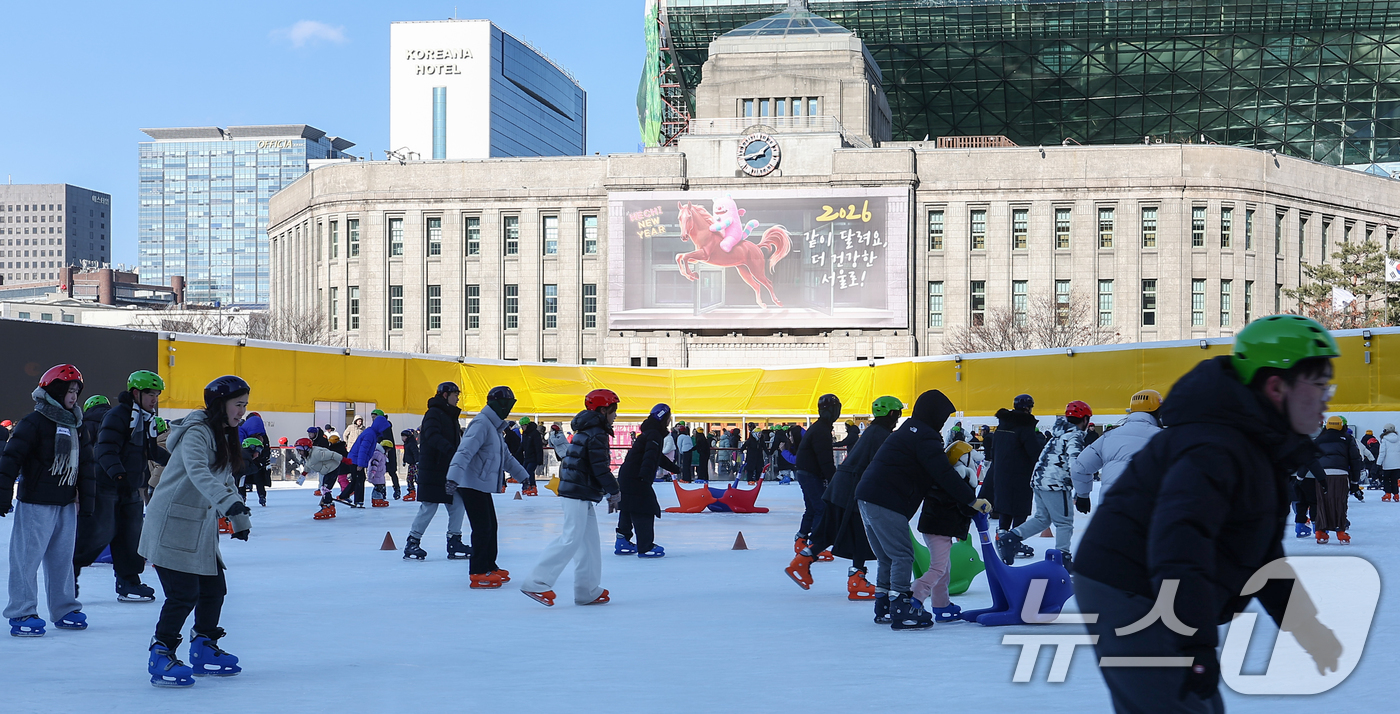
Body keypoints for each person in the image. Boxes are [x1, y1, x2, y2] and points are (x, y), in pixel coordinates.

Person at [1075, 315, 1344, 713]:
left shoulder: (1259, 445)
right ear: (1276, 386)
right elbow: (1181, 542)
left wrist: (1305, 625)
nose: (1326, 398)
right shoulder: (1215, 446)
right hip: (1127, 585)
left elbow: (1263, 557)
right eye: (1319, 385)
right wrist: (1196, 644)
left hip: (1157, 586)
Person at [140, 375, 254, 687]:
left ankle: (204, 646)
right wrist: (227, 505)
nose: (242, 411)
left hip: (198, 528)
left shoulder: (222, 433)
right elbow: (198, 472)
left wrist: (239, 515)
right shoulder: (197, 433)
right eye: (238, 405)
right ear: (221, 405)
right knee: (183, 594)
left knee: (214, 589)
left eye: (245, 405)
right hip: (171, 525)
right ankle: (161, 651)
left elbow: (225, 477)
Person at [855, 390, 991, 629]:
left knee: (887, 556)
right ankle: (901, 607)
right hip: (886, 500)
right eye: (942, 415)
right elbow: (943, 473)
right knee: (901, 555)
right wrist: (971, 501)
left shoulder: (908, 432)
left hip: (868, 496)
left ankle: (884, 603)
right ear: (933, 414)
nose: (943, 421)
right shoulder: (925, 437)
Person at [1, 364, 90, 637]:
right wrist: (4, 493)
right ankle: (22, 611)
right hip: (36, 502)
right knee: (26, 560)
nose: (73, 396)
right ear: (54, 390)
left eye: (76, 390)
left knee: (62, 560)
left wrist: (88, 502)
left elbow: (87, 466)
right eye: (68, 390)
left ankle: (64, 608)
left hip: (65, 502)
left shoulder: (77, 424)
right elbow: (11, 459)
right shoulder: (34, 422)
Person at [787, 396, 902, 600]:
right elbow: (883, 466)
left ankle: (802, 561)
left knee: (833, 529)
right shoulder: (881, 435)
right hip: (853, 488)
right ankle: (856, 580)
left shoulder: (873, 431)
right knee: (860, 533)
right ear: (892, 414)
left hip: (843, 485)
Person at [521, 389, 621, 606]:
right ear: (602, 410)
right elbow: (600, 468)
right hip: (576, 491)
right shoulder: (596, 433)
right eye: (613, 410)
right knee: (571, 538)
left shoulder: (589, 429)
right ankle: (536, 582)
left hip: (580, 491)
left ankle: (587, 590)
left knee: (589, 543)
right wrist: (614, 491)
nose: (615, 415)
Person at [445, 386, 531, 586]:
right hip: (469, 484)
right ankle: (478, 571)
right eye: (506, 405)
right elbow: (464, 452)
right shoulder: (481, 424)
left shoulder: (494, 428)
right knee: (482, 528)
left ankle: (489, 565)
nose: (508, 410)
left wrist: (524, 477)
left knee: (491, 526)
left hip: (480, 484)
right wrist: (453, 478)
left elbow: (506, 458)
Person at [998, 401, 1091, 569]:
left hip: (1039, 480)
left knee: (1042, 519)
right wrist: (1082, 492)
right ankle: (1063, 557)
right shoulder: (1074, 436)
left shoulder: (1058, 434)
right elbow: (1076, 465)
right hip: (1056, 483)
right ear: (1084, 420)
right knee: (1064, 522)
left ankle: (1010, 537)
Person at [911, 439, 982, 622]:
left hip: (934, 528)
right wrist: (978, 508)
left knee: (945, 568)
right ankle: (914, 597)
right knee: (938, 568)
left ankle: (941, 604)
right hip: (939, 530)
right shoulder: (959, 481)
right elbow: (965, 506)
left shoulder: (945, 477)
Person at [403, 382, 470, 561]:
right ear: (445, 395)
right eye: (455, 394)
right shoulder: (433, 413)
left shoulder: (450, 416)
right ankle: (413, 541)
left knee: (457, 503)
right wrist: (451, 450)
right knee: (429, 506)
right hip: (434, 469)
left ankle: (454, 540)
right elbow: (432, 436)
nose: (458, 398)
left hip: (447, 470)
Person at [1071, 390, 1163, 514]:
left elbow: (1079, 467)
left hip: (1110, 509)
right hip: (1147, 510)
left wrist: (1083, 495)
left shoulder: (1108, 437)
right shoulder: (1165, 439)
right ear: (1158, 412)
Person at [982, 393, 1043, 561]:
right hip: (1020, 475)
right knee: (1020, 509)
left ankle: (1001, 535)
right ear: (1027, 408)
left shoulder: (1001, 426)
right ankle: (1013, 541)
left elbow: (995, 450)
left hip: (1000, 473)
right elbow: (1033, 452)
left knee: (1005, 506)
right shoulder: (1025, 427)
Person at [614, 403, 679, 558]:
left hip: (628, 475)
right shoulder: (654, 434)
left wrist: (674, 468)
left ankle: (622, 540)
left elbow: (656, 455)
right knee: (644, 508)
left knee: (628, 506)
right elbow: (650, 457)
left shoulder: (650, 433)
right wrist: (645, 477)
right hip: (636, 476)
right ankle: (645, 546)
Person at [794, 394, 841, 554]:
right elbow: (825, 459)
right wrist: (834, 481)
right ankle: (815, 544)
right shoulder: (821, 430)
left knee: (813, 508)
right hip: (809, 473)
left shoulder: (820, 427)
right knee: (821, 508)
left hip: (807, 472)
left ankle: (801, 538)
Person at [1311, 415, 1364, 543]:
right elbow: (1355, 460)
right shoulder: (1347, 439)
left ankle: (1320, 531)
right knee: (1339, 502)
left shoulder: (1318, 440)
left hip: (1321, 475)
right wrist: (1355, 481)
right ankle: (1340, 531)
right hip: (1340, 474)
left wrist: (1301, 477)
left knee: (1322, 502)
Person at [347, 413, 392, 508]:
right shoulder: (370, 434)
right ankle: (353, 498)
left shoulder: (371, 433)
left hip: (355, 458)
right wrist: (360, 464)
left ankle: (351, 497)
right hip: (355, 459)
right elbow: (363, 450)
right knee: (359, 480)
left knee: (358, 479)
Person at [298, 439, 344, 520]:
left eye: (300, 450)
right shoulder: (308, 455)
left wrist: (345, 460)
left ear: (306, 448)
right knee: (324, 488)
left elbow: (332, 454)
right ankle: (330, 507)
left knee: (325, 489)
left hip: (333, 468)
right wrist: (303, 475)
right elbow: (308, 465)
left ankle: (327, 506)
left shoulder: (317, 453)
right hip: (328, 470)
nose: (299, 452)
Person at [236, 411, 271, 506]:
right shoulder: (241, 432)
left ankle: (261, 496)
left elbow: (265, 447)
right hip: (244, 461)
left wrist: (262, 459)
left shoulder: (261, 435)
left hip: (253, 461)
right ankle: (241, 496)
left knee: (257, 478)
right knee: (241, 478)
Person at [234, 438, 265, 504]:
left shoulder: (244, 454)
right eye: (258, 449)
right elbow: (244, 470)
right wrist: (258, 466)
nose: (259, 453)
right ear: (252, 447)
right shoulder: (245, 456)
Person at [519, 417, 544, 496]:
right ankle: (526, 487)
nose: (522, 427)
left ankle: (533, 487)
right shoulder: (525, 433)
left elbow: (538, 447)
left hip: (534, 457)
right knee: (524, 471)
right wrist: (517, 452)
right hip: (527, 457)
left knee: (529, 471)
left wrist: (539, 459)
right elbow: (523, 445)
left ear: (527, 425)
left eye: (523, 426)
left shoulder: (535, 433)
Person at [1378, 424, 1400, 502]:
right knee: (1394, 480)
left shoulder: (1384, 440)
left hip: (1387, 465)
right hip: (1397, 465)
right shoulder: (1398, 439)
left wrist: (1378, 463)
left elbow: (1382, 453)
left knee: (1386, 479)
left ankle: (1388, 494)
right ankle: (1396, 495)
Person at [368, 440, 391, 507]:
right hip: (376, 475)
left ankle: (377, 499)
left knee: (379, 487)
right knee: (378, 488)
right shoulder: (377, 454)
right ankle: (377, 500)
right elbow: (374, 464)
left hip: (379, 475)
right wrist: (372, 473)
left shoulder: (381, 454)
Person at [400, 429, 419, 501]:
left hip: (415, 464)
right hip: (410, 464)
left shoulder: (412, 443)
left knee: (417, 478)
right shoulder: (406, 444)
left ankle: (422, 492)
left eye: (403, 437)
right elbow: (406, 453)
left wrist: (417, 461)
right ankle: (412, 492)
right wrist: (404, 461)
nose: (402, 439)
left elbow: (415, 452)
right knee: (409, 479)